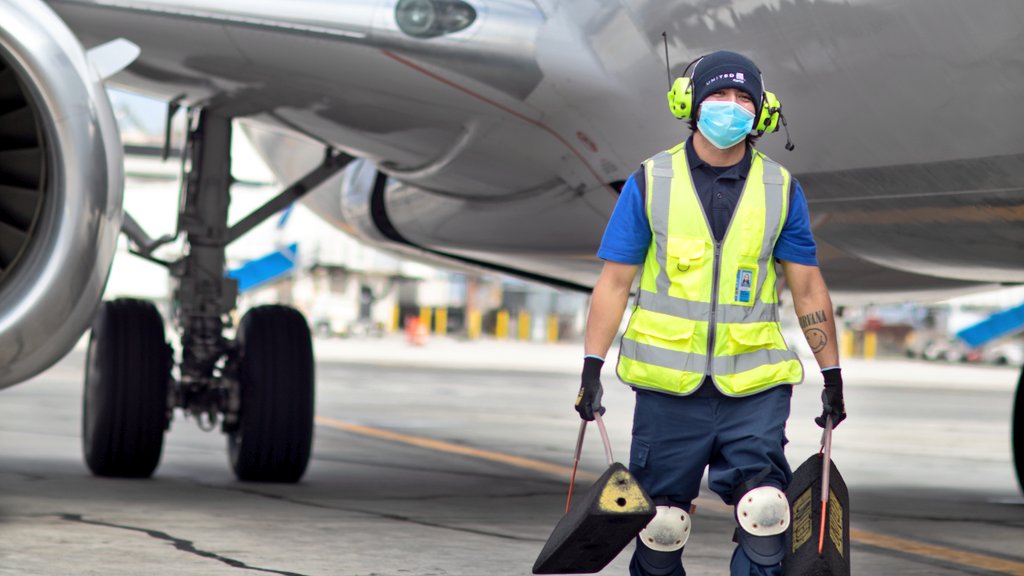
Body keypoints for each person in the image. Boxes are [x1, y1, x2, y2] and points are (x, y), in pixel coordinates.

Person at [574, 50, 846, 576]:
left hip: (754, 385)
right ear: (690, 105)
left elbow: (808, 287)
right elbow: (614, 282)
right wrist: (591, 368)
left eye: (744, 97)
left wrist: (831, 373)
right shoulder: (651, 181)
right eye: (718, 95)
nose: (731, 107)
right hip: (669, 388)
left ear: (763, 111)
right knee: (661, 524)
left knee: (767, 511)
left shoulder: (782, 188)